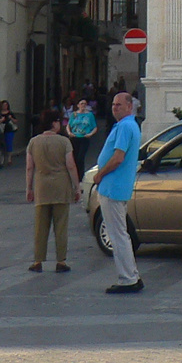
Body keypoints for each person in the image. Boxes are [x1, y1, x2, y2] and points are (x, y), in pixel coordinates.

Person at [94, 92, 143, 294]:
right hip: (118, 186)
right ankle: (132, 274)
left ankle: (128, 278)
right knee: (121, 233)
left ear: (130, 107)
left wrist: (100, 174)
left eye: (119, 105)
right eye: (113, 104)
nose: (115, 108)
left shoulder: (124, 126)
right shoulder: (129, 125)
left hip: (113, 187)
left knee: (117, 235)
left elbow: (118, 157)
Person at [25, 110, 78, 273]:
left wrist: (29, 188)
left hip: (42, 187)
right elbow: (70, 165)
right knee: (61, 226)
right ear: (54, 123)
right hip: (61, 187)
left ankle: (37, 261)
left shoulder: (33, 142)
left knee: (40, 227)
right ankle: (61, 261)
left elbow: (29, 167)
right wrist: (76, 186)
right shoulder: (64, 142)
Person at [66, 100, 98, 176]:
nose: (83, 105)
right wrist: (69, 133)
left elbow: (95, 127)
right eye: (81, 104)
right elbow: (68, 125)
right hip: (75, 137)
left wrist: (90, 134)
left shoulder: (89, 115)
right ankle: (74, 175)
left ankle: (80, 175)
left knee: (81, 157)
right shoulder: (74, 114)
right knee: (75, 157)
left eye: (85, 104)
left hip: (84, 138)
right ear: (78, 105)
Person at [0, 101, 18, 165]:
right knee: (1, 144)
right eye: (3, 105)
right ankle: (1, 158)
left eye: (6, 105)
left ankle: (9, 159)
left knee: (9, 143)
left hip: (9, 130)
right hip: (0, 130)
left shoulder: (10, 113)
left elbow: (16, 121)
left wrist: (11, 118)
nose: (5, 106)